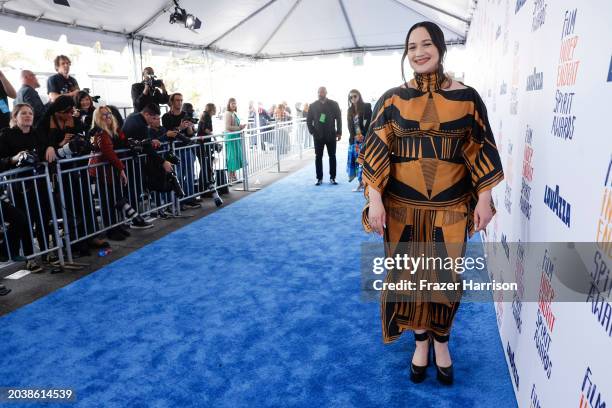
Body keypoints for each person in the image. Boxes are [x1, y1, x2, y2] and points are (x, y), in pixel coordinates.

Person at [359, 21, 504, 385]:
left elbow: (480, 148)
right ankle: (420, 343)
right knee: (409, 281)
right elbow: (376, 152)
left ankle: (442, 342)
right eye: (412, 47)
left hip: (451, 210)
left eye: (426, 44)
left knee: (444, 280)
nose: (419, 52)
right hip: (400, 211)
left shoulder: (468, 98)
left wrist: (484, 199)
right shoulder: (391, 99)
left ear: (440, 48)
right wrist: (375, 200)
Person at [39, 95, 107, 255]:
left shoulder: (75, 121)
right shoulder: (44, 123)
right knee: (69, 206)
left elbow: (82, 140)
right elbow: (42, 146)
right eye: (67, 111)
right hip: (60, 173)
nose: (71, 114)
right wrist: (57, 145)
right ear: (58, 111)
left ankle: (92, 235)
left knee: (86, 202)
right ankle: (75, 241)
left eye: (72, 110)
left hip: (78, 167)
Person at [89, 106, 151, 239]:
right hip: (103, 173)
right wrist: (121, 169)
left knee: (116, 200)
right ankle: (111, 230)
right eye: (104, 115)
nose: (108, 117)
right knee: (108, 202)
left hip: (111, 171)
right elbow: (109, 153)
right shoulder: (100, 133)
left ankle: (118, 226)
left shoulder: (114, 130)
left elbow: (123, 141)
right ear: (98, 118)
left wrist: (132, 147)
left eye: (109, 114)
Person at [0, 104, 48, 272]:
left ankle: (47, 252)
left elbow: (44, 151)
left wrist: (49, 148)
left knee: (42, 216)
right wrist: (15, 158)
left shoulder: (37, 133)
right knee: (25, 220)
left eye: (30, 113)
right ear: (15, 117)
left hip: (39, 181)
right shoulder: (7, 135)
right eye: (23, 113)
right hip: (18, 185)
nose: (28, 116)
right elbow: (2, 160)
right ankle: (30, 258)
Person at [307, 86, 342, 185]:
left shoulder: (334, 104)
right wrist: (313, 132)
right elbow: (309, 120)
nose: (320, 94)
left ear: (326, 92)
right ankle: (319, 178)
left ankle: (333, 178)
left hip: (331, 135)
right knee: (318, 157)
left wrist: (339, 132)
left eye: (322, 92)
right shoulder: (313, 105)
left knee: (332, 156)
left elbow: (339, 119)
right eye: (318, 92)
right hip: (318, 136)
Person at [346, 89, 372, 192]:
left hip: (365, 139)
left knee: (365, 162)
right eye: (351, 97)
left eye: (355, 96)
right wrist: (354, 136)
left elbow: (370, 121)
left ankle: (367, 184)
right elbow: (349, 126)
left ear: (359, 96)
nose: (353, 99)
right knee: (357, 162)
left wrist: (363, 135)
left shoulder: (366, 106)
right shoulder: (349, 110)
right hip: (355, 141)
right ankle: (360, 183)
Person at [224, 98, 246, 183]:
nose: (234, 105)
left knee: (235, 156)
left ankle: (234, 176)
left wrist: (241, 126)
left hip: (235, 136)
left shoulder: (234, 113)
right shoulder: (228, 114)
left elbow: (234, 125)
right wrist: (239, 128)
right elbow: (227, 127)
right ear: (229, 104)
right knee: (231, 157)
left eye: (235, 103)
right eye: (232, 103)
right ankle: (230, 177)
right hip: (230, 137)